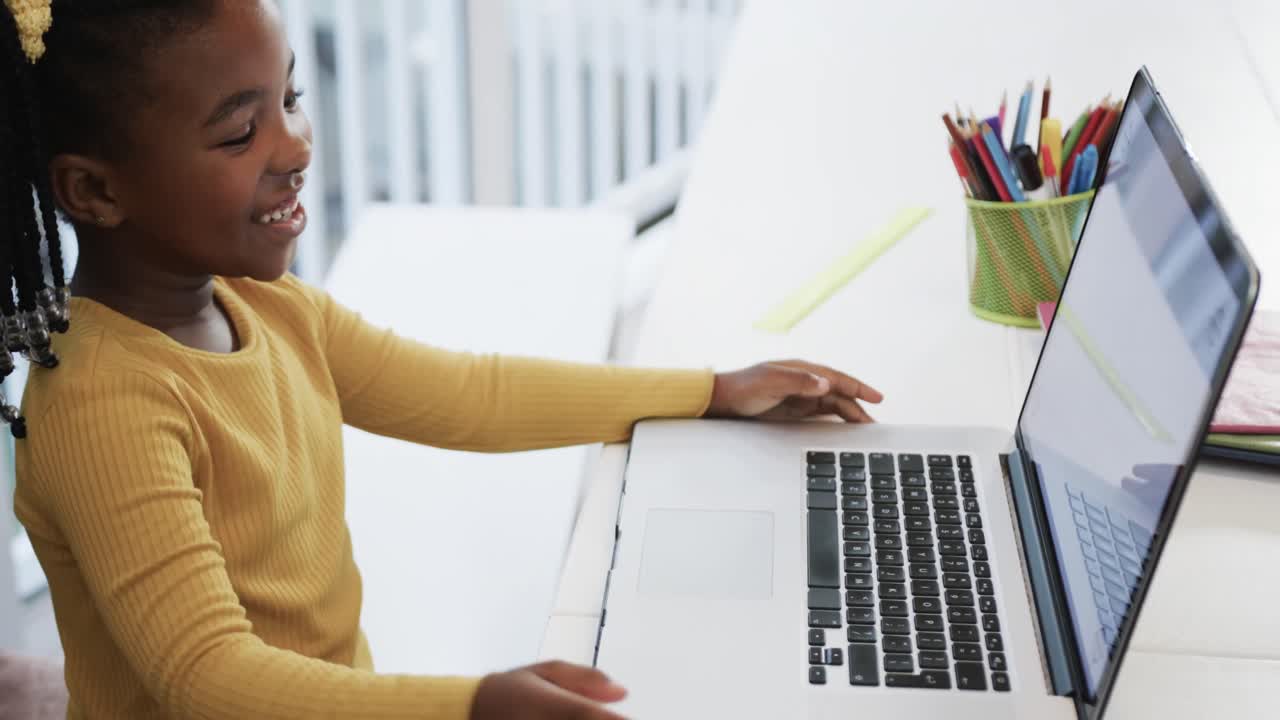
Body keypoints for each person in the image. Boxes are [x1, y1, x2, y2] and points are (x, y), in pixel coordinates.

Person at [2, 1, 883, 718]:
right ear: (96, 190)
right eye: (240, 135)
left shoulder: (263, 306)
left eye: (290, 100)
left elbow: (466, 395)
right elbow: (211, 678)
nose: (298, 147)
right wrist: (473, 704)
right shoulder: (104, 403)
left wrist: (711, 391)